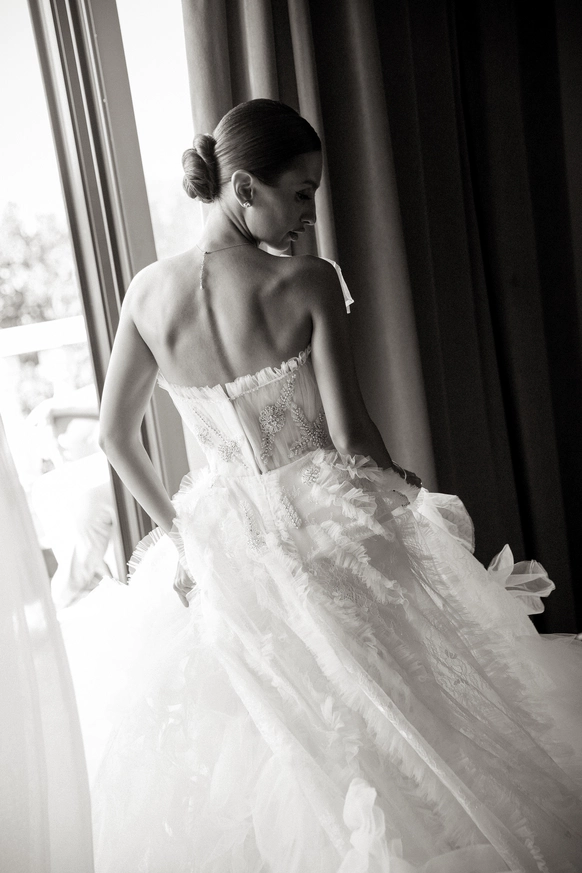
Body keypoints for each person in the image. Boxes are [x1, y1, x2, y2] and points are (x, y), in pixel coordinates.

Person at [72, 99, 581, 872]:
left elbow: (115, 436)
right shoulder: (308, 281)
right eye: (302, 192)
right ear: (244, 187)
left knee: (301, 732)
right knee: (414, 712)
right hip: (328, 521)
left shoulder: (145, 292)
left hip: (228, 545)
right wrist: (405, 487)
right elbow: (350, 438)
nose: (311, 214)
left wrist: (184, 537)